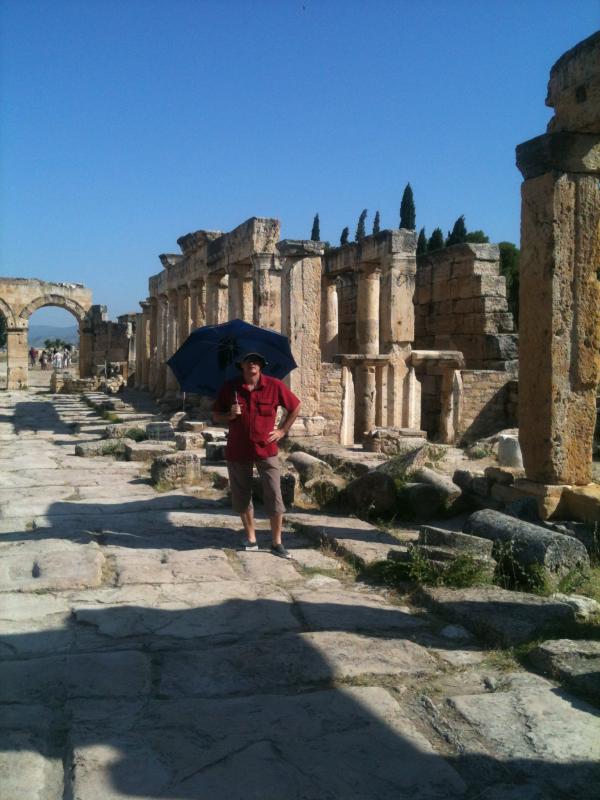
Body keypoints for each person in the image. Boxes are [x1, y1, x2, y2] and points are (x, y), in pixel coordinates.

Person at [213, 352, 301, 559]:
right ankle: (251, 538)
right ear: (241, 365)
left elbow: (295, 406)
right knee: (241, 494)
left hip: (266, 449)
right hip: (238, 449)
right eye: (248, 360)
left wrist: (282, 430)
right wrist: (229, 415)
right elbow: (216, 415)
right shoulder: (230, 387)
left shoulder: (274, 385)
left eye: (257, 361)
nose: (252, 363)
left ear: (261, 365)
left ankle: (277, 542)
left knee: (274, 493)